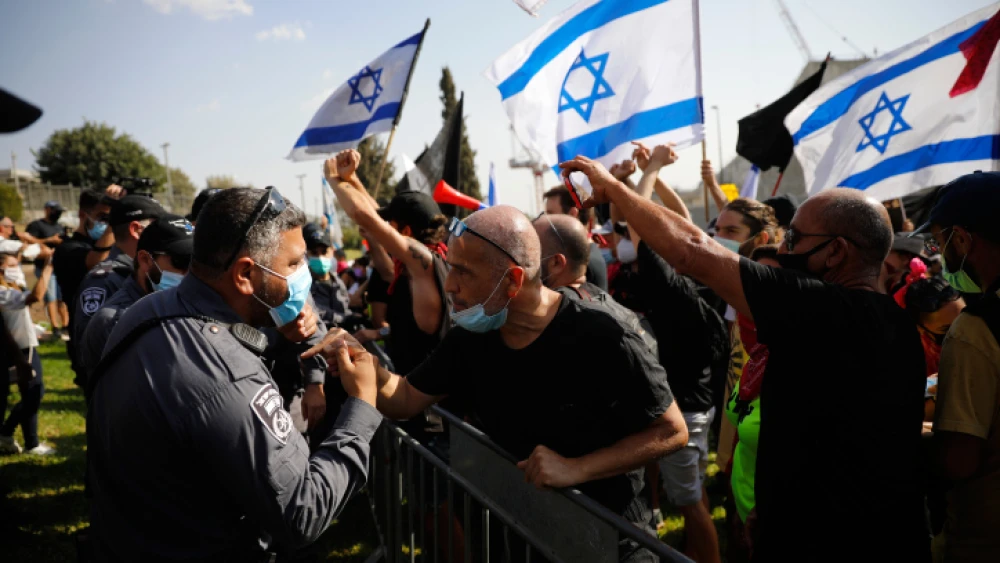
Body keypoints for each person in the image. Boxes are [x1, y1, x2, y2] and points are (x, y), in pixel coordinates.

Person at [561, 153, 929, 562]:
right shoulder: (898, 326)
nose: (783, 247)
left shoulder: (820, 306)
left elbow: (691, 250)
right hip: (883, 531)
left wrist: (612, 188)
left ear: (836, 252)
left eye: (794, 240)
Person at [306, 204, 688, 562]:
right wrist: (362, 359)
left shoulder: (603, 333)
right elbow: (405, 397)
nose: (450, 285)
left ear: (513, 279)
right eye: (449, 267)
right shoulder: (472, 336)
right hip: (524, 533)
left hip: (608, 541)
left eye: (464, 272)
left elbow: (672, 430)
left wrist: (578, 468)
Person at [87, 187, 382, 561]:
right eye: (293, 264)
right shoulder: (227, 373)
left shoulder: (148, 310)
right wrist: (362, 406)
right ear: (245, 274)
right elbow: (303, 511)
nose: (303, 275)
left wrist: (278, 336)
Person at [919, 171, 1000, 562]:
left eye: (940, 242)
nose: (940, 254)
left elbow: (960, 460)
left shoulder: (976, 329)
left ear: (963, 240)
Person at [324, 150, 450, 376]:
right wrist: (352, 179)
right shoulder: (428, 260)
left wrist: (333, 178)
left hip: (428, 403)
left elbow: (364, 216)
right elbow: (377, 215)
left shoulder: (424, 262)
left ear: (406, 232)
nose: (383, 231)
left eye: (389, 227)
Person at [78, 213, 193, 381]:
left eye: (196, 263)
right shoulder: (115, 323)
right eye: (182, 262)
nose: (190, 273)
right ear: (146, 260)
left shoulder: (183, 302)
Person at [71, 194, 164, 388]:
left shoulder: (149, 271)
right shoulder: (105, 280)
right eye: (158, 226)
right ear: (136, 229)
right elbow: (90, 349)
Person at [0, 242, 53, 455]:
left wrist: (34, 328)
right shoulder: (2, 291)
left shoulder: (13, 284)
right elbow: (35, 297)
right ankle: (7, 432)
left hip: (26, 342)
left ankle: (30, 442)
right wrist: (48, 269)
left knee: (33, 392)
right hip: (16, 349)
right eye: (13, 265)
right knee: (33, 392)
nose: (17, 268)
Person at [900, 276, 965, 421]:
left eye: (964, 320)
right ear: (920, 328)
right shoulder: (906, 361)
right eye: (947, 329)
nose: (962, 332)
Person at [543, 185, 608, 291]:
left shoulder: (585, 263)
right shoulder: (578, 256)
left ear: (573, 214)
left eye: (551, 214)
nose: (546, 220)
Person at [25, 200, 68, 338]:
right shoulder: (36, 225)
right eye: (55, 210)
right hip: (44, 267)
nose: (58, 213)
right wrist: (49, 240)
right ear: (47, 209)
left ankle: (66, 326)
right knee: (51, 298)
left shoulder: (60, 226)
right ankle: (55, 328)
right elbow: (28, 240)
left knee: (62, 298)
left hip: (60, 266)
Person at [303, 223, 350, 328]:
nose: (320, 257)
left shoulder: (338, 282)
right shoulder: (304, 285)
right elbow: (316, 313)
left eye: (324, 252)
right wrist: (345, 318)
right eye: (314, 253)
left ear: (332, 252)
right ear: (306, 254)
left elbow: (344, 308)